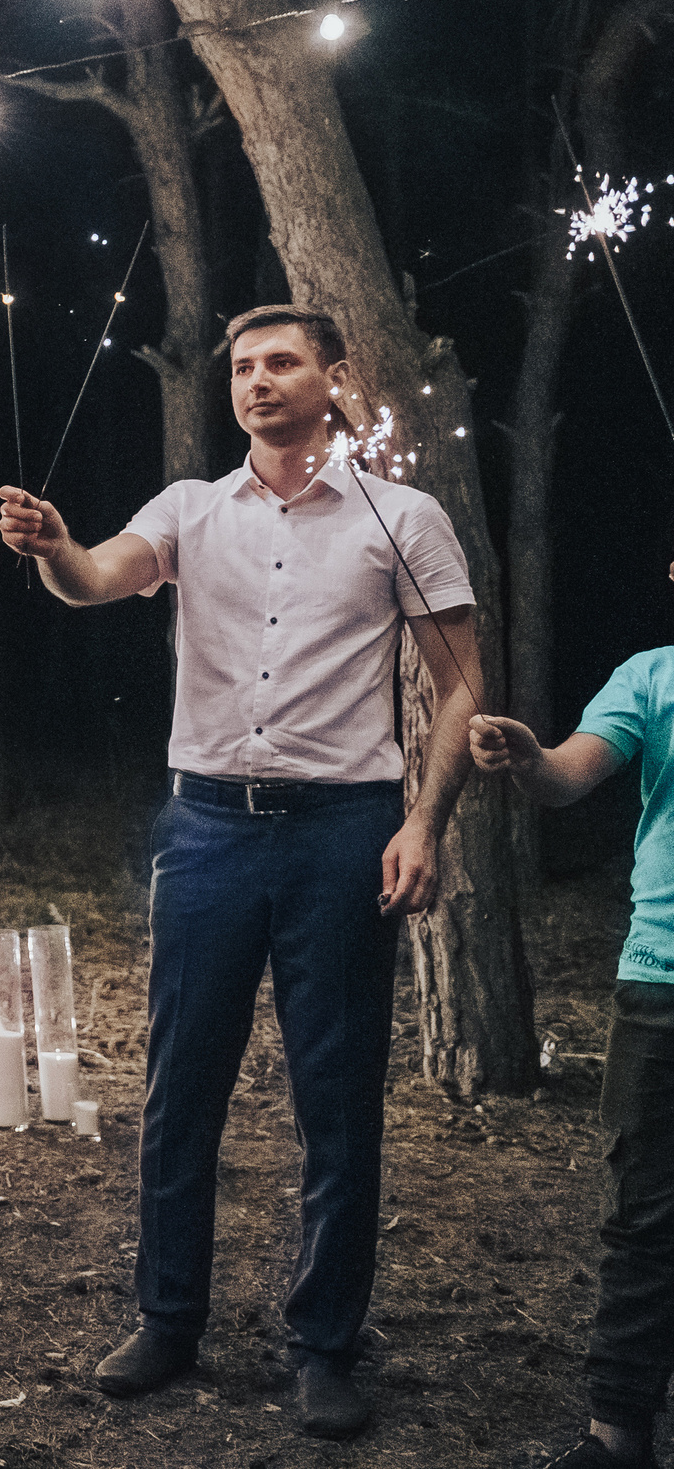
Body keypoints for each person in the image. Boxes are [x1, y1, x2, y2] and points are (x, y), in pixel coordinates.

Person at [0, 303, 481, 1440]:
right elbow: (94, 580)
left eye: (279, 362)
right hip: (207, 826)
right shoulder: (189, 510)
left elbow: (460, 682)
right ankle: (167, 1320)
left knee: (336, 1095)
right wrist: (57, 548)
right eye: (242, 367)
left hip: (342, 829)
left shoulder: (401, 516)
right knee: (181, 1085)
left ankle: (323, 1345)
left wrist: (424, 819)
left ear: (332, 375)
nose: (256, 381)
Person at [469, 604, 674, 1469]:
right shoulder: (650, 675)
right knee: (642, 1219)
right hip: (661, 981)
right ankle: (615, 1440)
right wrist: (529, 759)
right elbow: (568, 775)